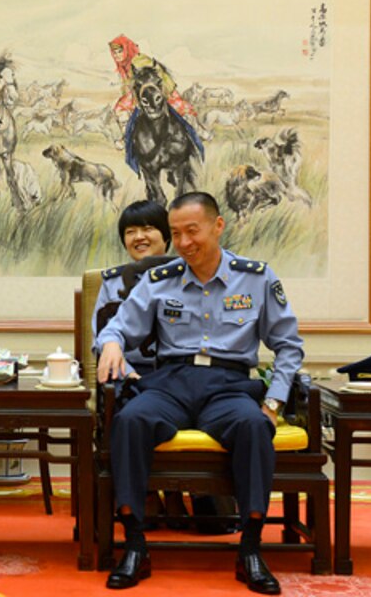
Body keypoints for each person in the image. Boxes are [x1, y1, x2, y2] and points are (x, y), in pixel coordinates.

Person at [96, 191, 303, 594]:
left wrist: (274, 401)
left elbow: (289, 346)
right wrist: (112, 343)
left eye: (193, 231)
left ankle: (250, 549)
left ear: (218, 226)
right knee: (130, 421)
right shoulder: (159, 280)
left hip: (229, 386)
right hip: (171, 383)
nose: (185, 243)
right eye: (176, 234)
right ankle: (136, 545)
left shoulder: (257, 278)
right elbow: (118, 327)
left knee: (254, 426)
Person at [92, 200, 192, 529]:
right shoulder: (111, 282)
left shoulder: (190, 277)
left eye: (148, 228)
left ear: (167, 235)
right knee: (127, 402)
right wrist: (124, 371)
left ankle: (182, 493)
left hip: (181, 375)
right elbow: (101, 340)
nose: (139, 236)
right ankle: (145, 496)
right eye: (130, 231)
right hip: (130, 375)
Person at [108, 35, 207, 152]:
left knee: (180, 109)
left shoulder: (139, 60)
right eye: (114, 53)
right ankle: (127, 137)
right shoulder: (123, 66)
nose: (117, 55)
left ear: (127, 50)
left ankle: (198, 130)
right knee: (121, 109)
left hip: (158, 89)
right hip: (139, 93)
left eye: (120, 51)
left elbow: (154, 76)